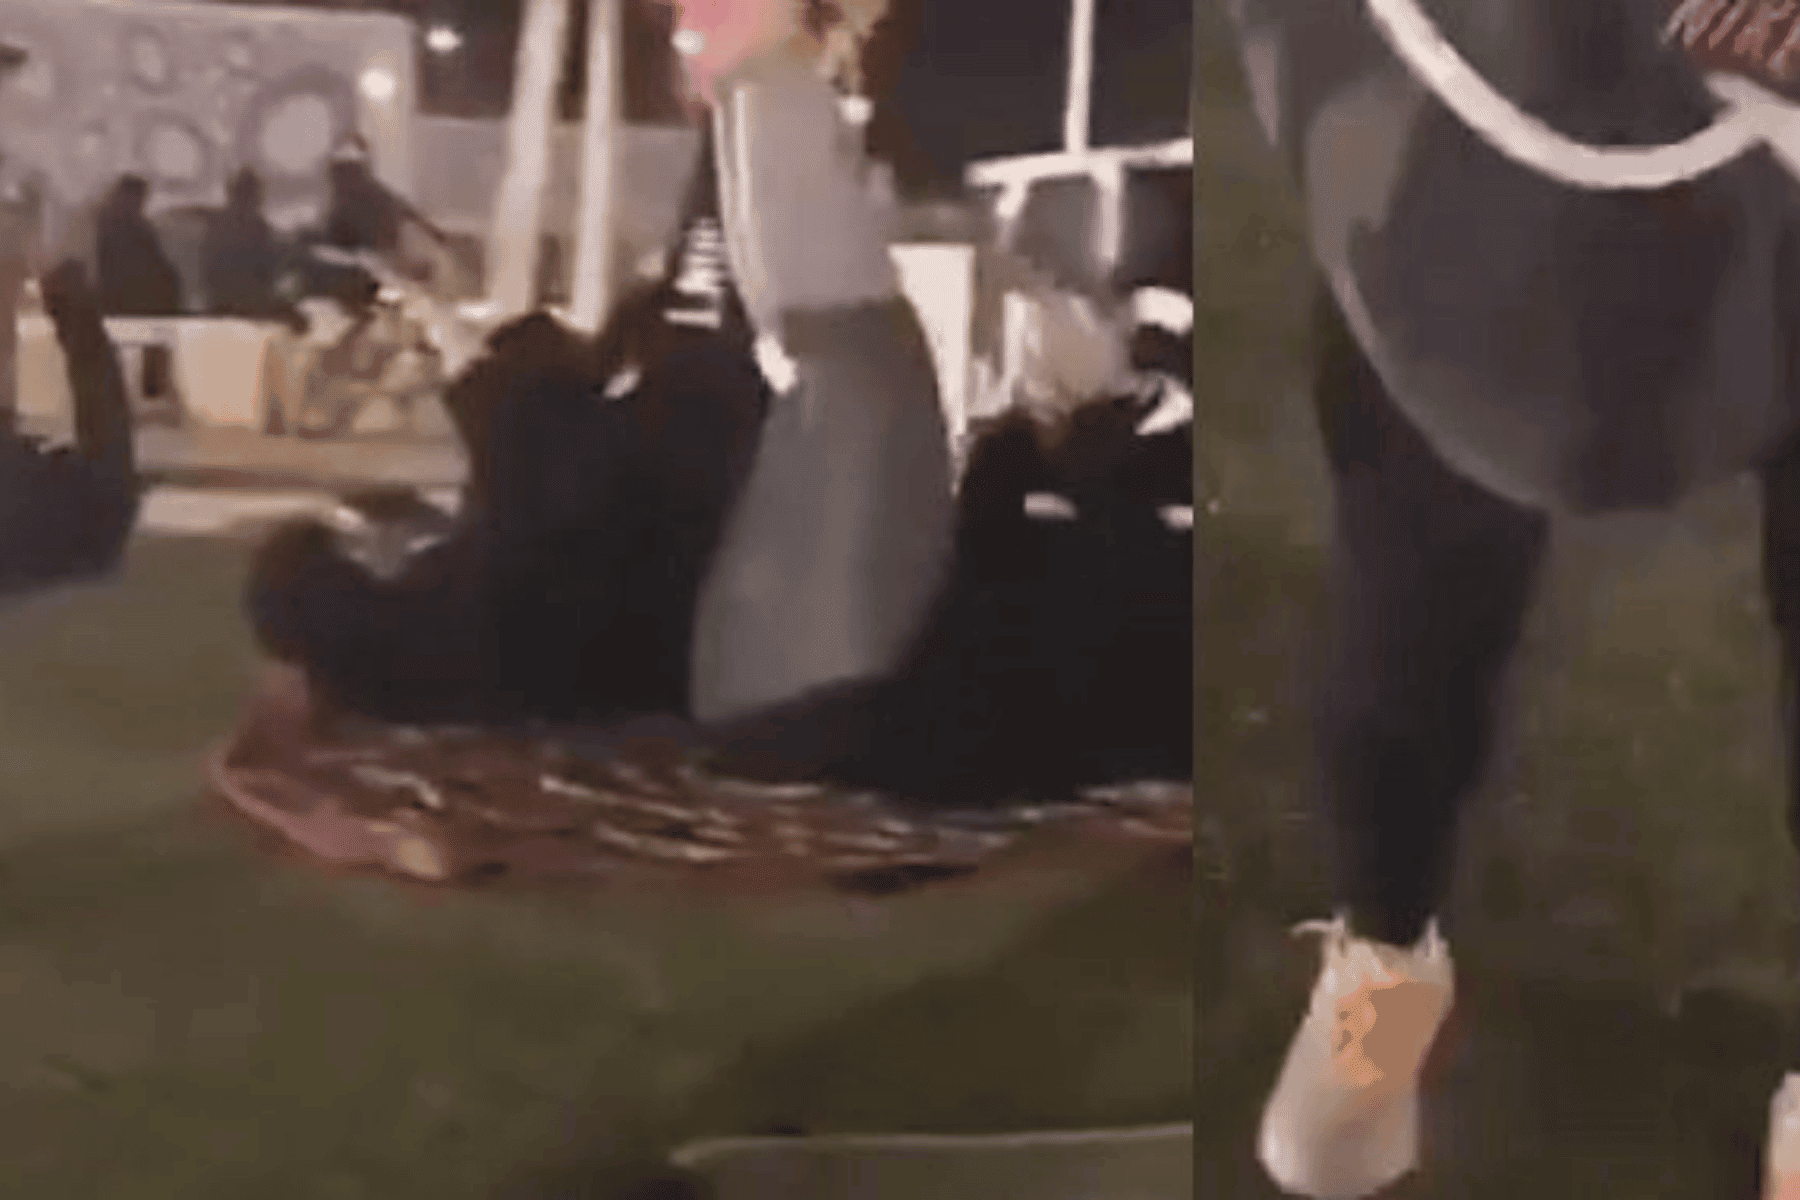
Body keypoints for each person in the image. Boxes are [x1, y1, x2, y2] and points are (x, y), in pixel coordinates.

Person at [94, 174, 183, 317]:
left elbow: (157, 261)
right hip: (125, 297)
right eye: (134, 197)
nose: (138, 202)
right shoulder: (113, 226)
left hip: (141, 295)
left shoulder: (139, 227)